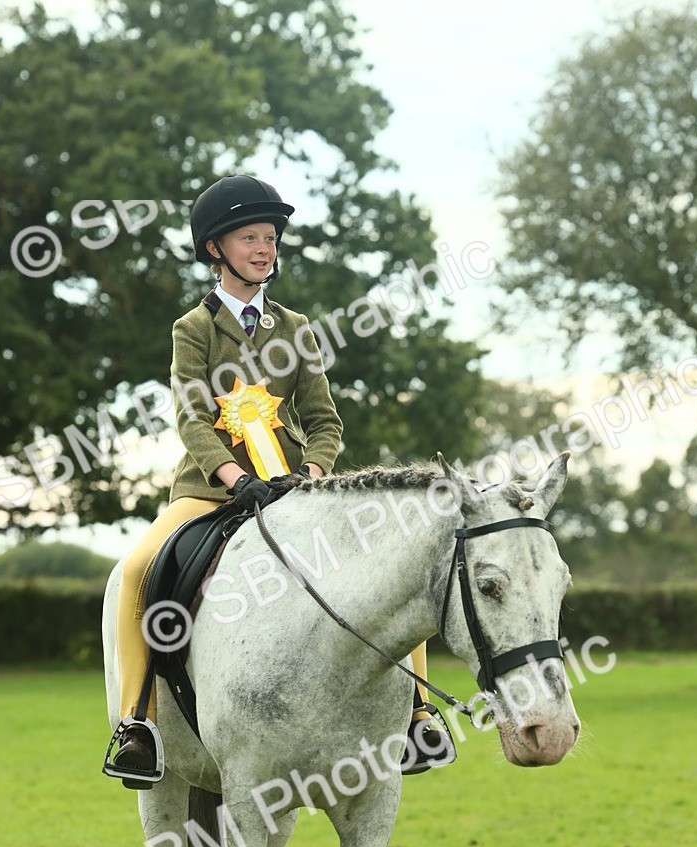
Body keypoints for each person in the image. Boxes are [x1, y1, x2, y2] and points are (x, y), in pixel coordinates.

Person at [108, 175, 449, 787]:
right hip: (210, 489)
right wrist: (236, 478)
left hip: (299, 490)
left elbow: (324, 420)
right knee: (137, 571)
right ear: (216, 248)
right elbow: (191, 416)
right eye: (250, 238)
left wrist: (312, 474)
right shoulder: (194, 330)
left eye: (270, 238)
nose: (265, 249)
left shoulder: (297, 328)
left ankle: (418, 716)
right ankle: (138, 722)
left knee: (389, 565)